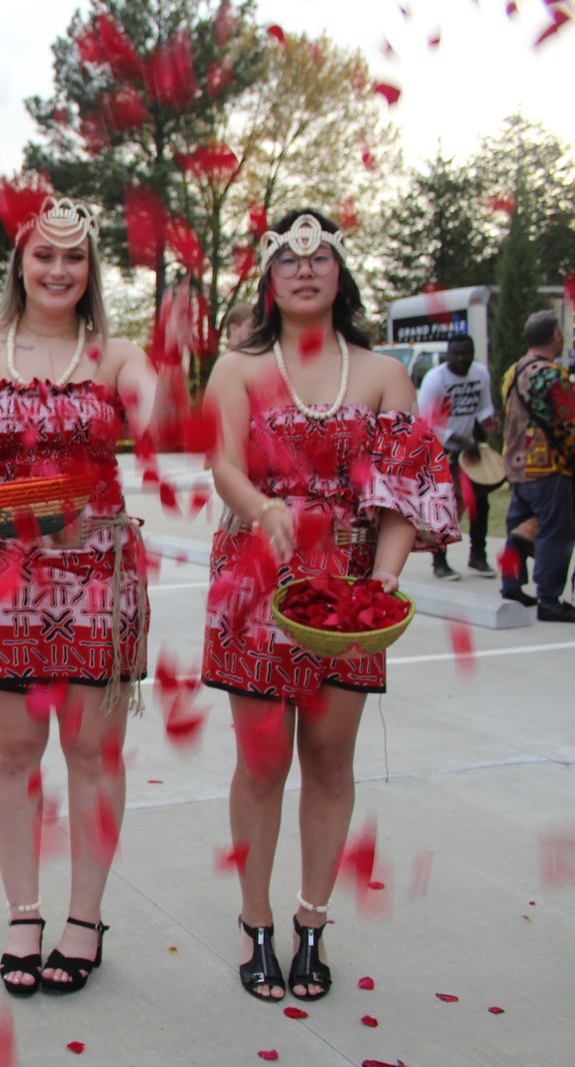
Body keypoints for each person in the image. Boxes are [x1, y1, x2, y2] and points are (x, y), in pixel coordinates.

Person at [201, 209, 457, 1004]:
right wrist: (264, 509)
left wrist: (383, 581)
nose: (304, 271)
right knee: (262, 761)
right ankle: (256, 921)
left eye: (319, 260)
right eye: (288, 260)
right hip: (256, 578)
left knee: (330, 758)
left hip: (348, 589)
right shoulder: (238, 368)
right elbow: (224, 465)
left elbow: (403, 491)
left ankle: (311, 920)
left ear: (339, 275)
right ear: (269, 280)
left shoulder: (382, 373)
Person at [0, 195, 158, 998]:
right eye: (44, 254)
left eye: (75, 256)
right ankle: (24, 912)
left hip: (97, 571)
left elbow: (160, 425)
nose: (59, 270)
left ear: (93, 269)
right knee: (13, 751)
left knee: (92, 752)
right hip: (4, 572)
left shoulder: (117, 354)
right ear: (19, 262)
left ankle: (85, 917)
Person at [498, 309, 575, 621]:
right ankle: (549, 599)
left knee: (517, 530)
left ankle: (511, 585)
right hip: (549, 468)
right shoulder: (553, 375)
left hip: (516, 466)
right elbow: (569, 424)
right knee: (556, 532)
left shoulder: (512, 372)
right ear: (556, 336)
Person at [417, 334, 499, 580]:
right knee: (444, 506)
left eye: (466, 353)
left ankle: (478, 556)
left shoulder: (480, 374)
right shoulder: (435, 380)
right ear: (448, 354)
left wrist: (488, 420)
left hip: (468, 450)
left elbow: (483, 406)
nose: (462, 358)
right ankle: (439, 561)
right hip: (440, 450)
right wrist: (460, 439)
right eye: (456, 354)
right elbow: (426, 421)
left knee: (480, 503)